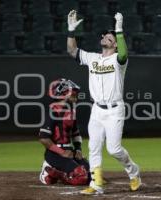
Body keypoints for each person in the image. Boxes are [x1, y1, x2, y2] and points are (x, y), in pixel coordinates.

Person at [66, 10, 141, 194]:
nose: (106, 37)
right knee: (93, 147)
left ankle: (134, 172)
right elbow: (72, 51)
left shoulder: (118, 59)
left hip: (114, 109)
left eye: (110, 37)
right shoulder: (93, 58)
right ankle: (96, 184)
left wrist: (119, 29)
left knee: (114, 149)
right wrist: (70, 31)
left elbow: (124, 54)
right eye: (105, 35)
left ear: (115, 44)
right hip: (97, 110)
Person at [38, 78, 90, 186]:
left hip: (70, 151)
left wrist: (78, 150)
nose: (76, 94)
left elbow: (75, 134)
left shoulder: (71, 111)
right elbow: (43, 138)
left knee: (91, 176)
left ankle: (57, 172)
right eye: (73, 92)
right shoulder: (53, 111)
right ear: (63, 93)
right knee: (80, 177)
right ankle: (51, 171)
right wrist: (62, 152)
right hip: (54, 154)